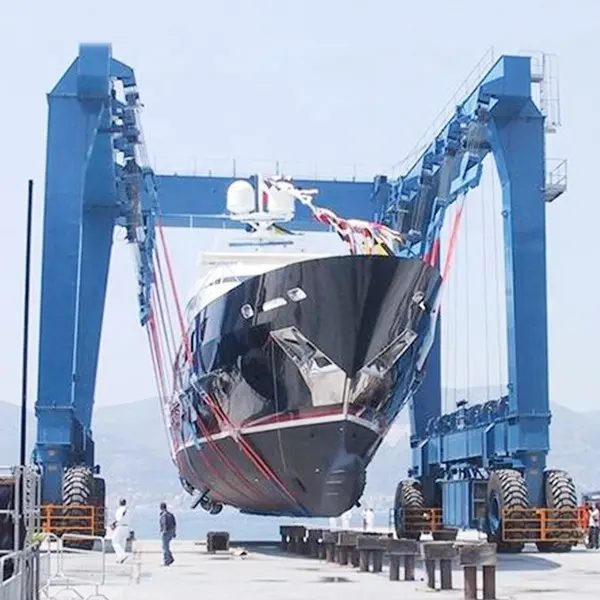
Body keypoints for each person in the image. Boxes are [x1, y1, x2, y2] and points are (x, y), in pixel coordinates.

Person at [111, 498, 129, 564]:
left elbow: (118, 519)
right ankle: (120, 558)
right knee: (122, 543)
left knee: (114, 542)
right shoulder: (127, 510)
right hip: (126, 527)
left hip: (120, 526)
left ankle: (122, 555)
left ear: (119, 503)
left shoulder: (120, 510)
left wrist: (113, 524)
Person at [159, 502, 177, 566]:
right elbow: (174, 524)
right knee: (166, 546)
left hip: (166, 532)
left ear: (161, 508)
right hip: (171, 532)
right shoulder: (170, 514)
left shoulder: (164, 515)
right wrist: (174, 532)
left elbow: (164, 524)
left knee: (165, 547)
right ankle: (170, 558)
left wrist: (164, 531)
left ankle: (167, 560)